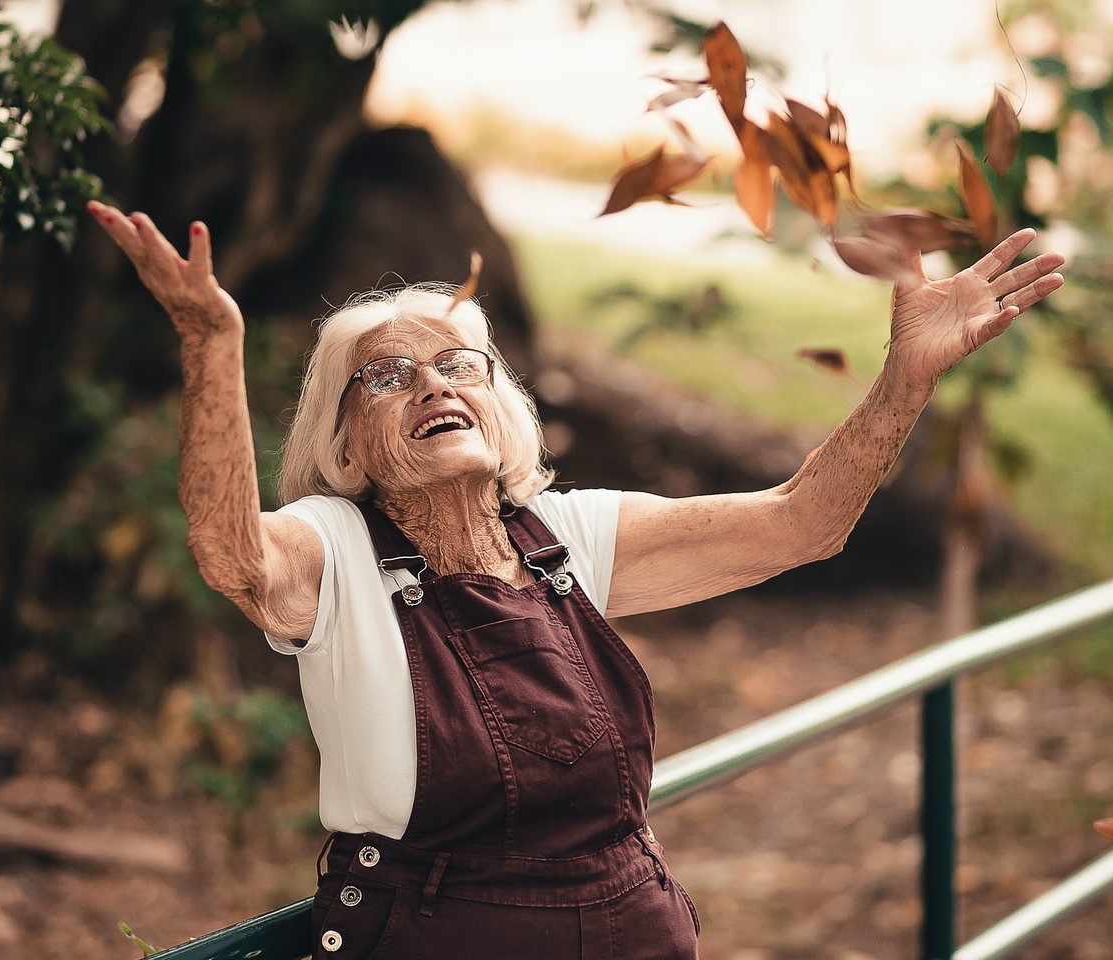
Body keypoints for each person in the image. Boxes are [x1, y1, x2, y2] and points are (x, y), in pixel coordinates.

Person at [87, 199, 1064, 960]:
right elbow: (231, 556)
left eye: (456, 365)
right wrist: (211, 347)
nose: (432, 385)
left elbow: (801, 525)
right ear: (343, 440)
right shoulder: (332, 548)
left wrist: (905, 380)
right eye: (386, 377)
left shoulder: (567, 532)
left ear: (496, 401)